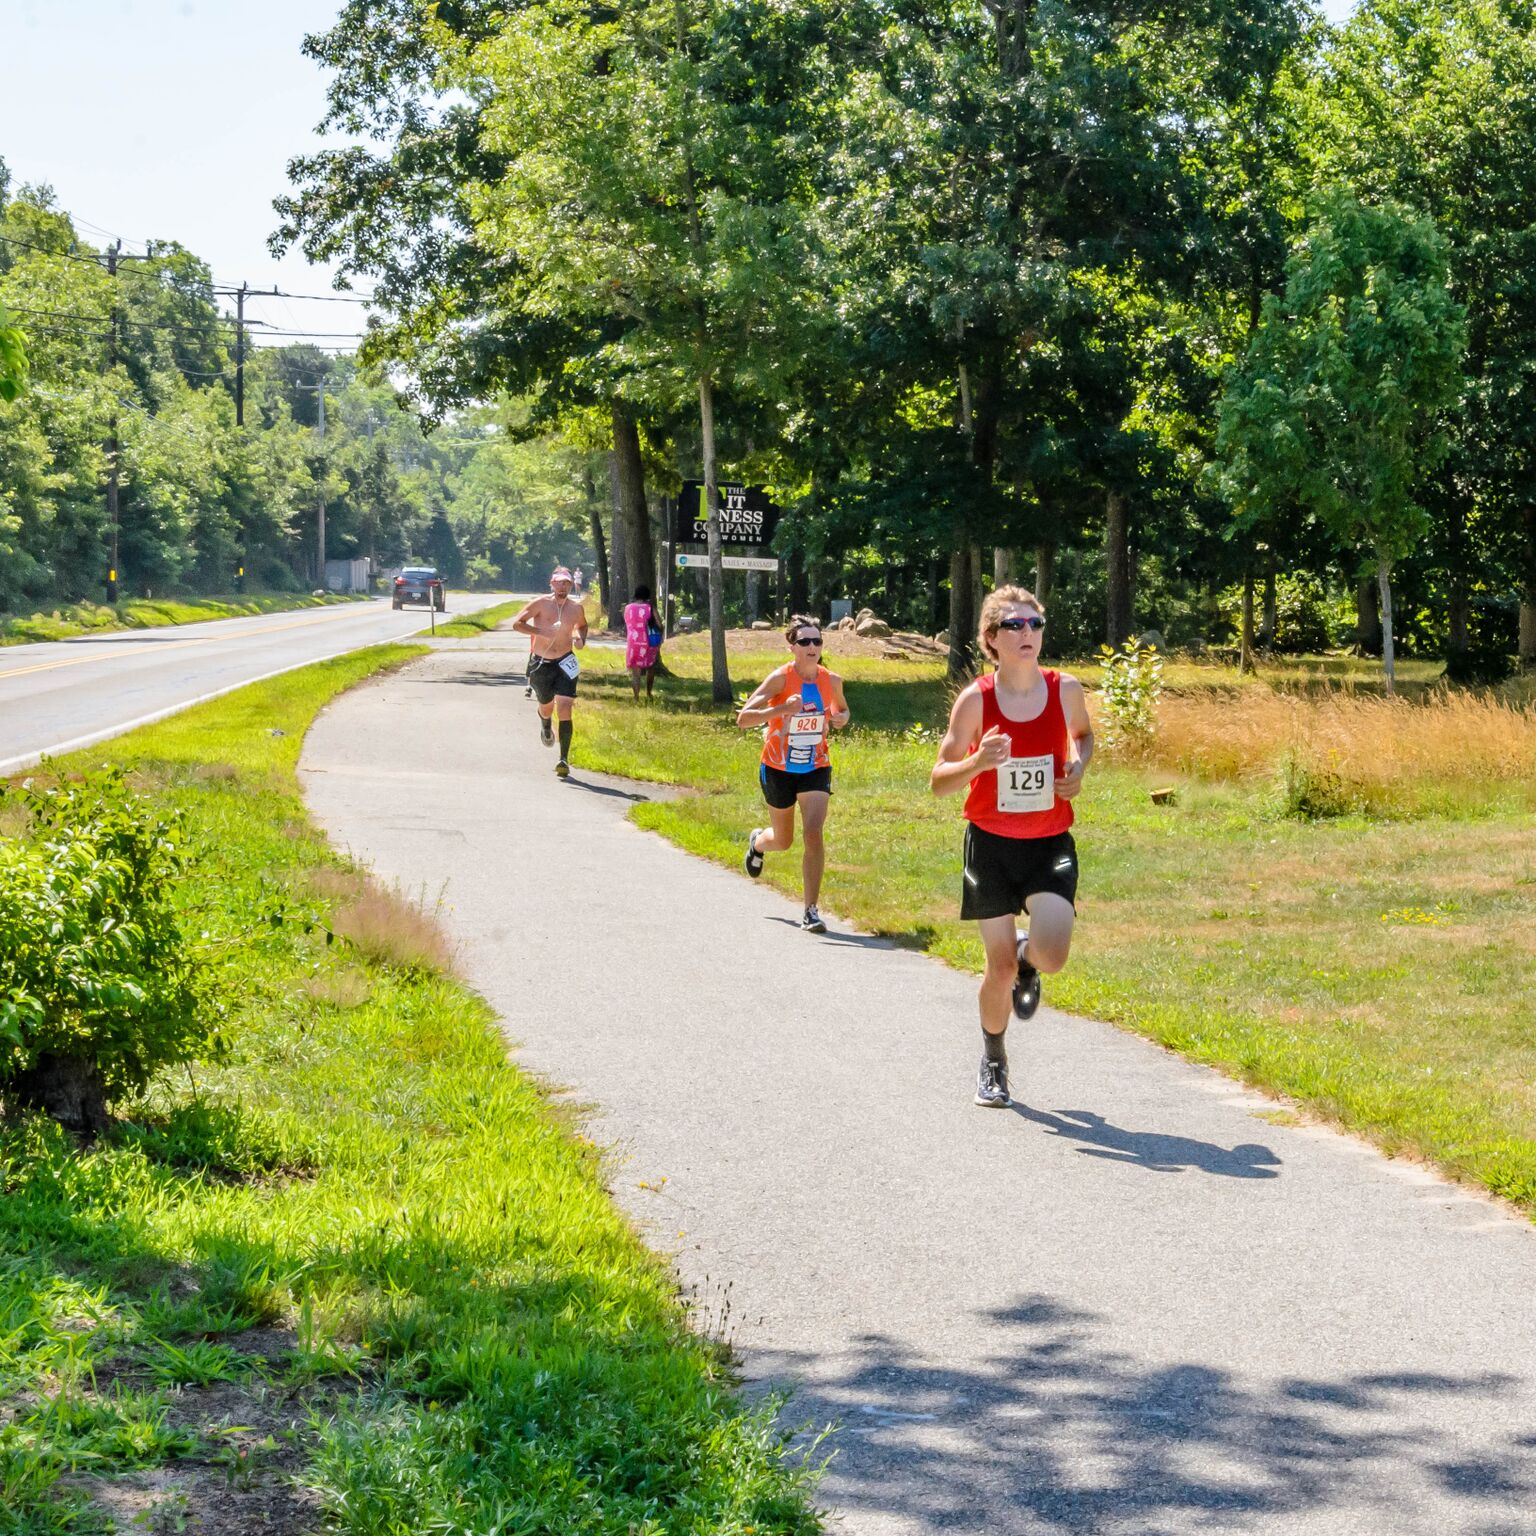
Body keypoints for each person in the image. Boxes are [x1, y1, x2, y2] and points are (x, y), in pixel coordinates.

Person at [930, 586, 1093, 1108]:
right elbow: (939, 780)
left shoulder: (1065, 689)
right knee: (995, 969)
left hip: (1049, 843)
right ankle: (993, 1060)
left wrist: (1078, 769)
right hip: (991, 846)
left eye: (1036, 624)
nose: (1029, 633)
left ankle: (1029, 956)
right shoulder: (976, 700)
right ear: (992, 639)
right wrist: (978, 762)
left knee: (1053, 954)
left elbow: (1084, 737)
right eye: (1016, 626)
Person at [736, 615, 851, 934]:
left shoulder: (832, 680)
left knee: (813, 832)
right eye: (805, 641)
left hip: (816, 766)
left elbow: (841, 709)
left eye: (817, 641)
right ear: (792, 647)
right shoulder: (780, 679)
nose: (812, 646)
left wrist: (841, 718)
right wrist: (779, 710)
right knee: (783, 840)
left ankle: (811, 910)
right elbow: (743, 719)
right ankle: (758, 843)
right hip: (777, 767)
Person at [513, 566, 589, 778]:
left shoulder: (576, 608)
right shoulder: (540, 604)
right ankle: (545, 723)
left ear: (570, 585)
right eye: (558, 583)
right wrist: (540, 632)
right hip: (541, 663)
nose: (562, 587)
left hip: (565, 662)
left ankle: (563, 759)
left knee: (565, 706)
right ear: (551, 584)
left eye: (566, 583)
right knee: (546, 707)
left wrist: (581, 639)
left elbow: (582, 626)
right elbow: (517, 624)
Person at [623, 583, 663, 700]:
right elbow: (659, 624)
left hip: (633, 642)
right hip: (649, 642)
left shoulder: (628, 608)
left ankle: (636, 696)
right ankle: (649, 692)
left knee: (636, 671)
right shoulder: (650, 607)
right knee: (650, 667)